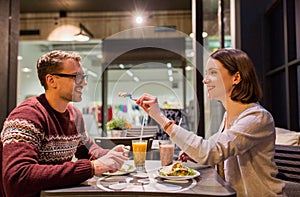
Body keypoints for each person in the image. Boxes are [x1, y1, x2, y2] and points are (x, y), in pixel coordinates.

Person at [136, 48, 285, 196]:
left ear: (236, 78)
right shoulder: (229, 116)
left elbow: (209, 151)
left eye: (213, 72)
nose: (205, 79)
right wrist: (198, 157)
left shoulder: (257, 118)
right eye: (206, 73)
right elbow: (220, 157)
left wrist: (161, 118)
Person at [0, 50, 128, 197]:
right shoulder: (27, 116)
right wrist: (92, 167)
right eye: (77, 77)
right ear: (51, 81)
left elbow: (87, 148)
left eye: (83, 77)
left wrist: (109, 155)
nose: (84, 83)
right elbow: (17, 178)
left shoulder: (74, 114)